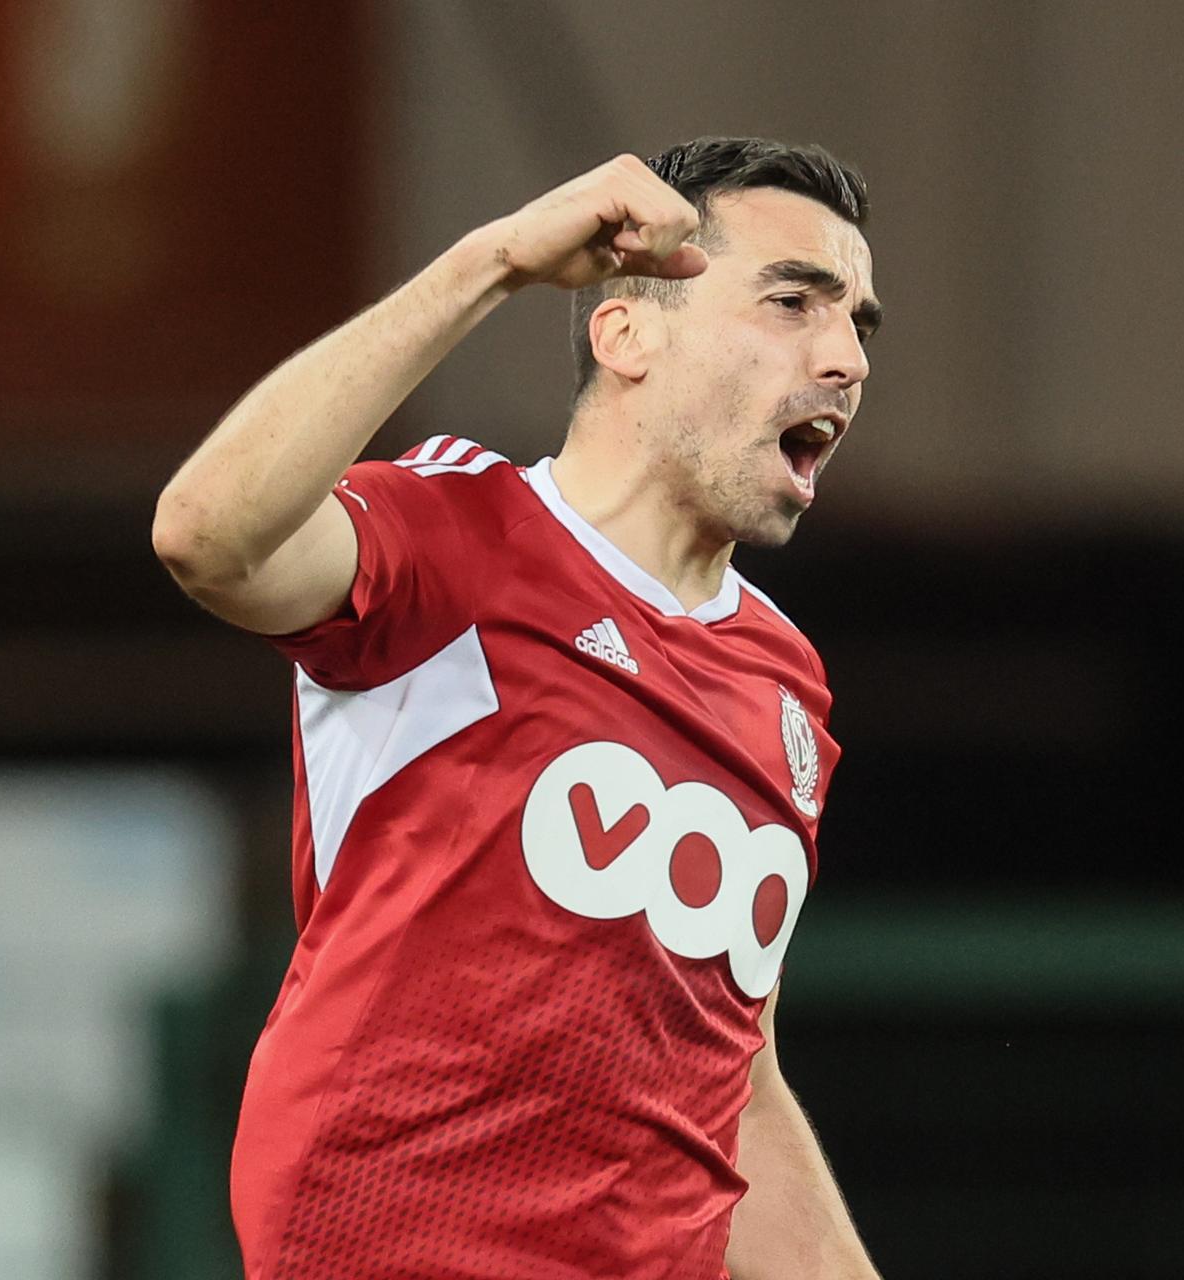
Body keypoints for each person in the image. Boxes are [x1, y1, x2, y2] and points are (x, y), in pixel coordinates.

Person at [152, 136, 885, 1280]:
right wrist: (491, 262)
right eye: (794, 301)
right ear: (627, 329)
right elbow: (205, 535)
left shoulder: (784, 681)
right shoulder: (454, 539)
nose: (844, 358)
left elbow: (735, 1086)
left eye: (858, 325)